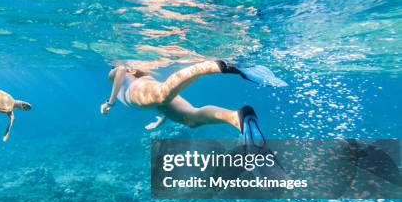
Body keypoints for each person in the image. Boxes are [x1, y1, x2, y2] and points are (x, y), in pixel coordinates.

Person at [100, 60, 286, 146]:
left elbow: (120, 70)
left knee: (163, 94)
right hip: (150, 101)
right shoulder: (142, 79)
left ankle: (224, 66)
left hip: (139, 93)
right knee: (192, 120)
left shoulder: (116, 73)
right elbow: (159, 105)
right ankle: (238, 118)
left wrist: (110, 102)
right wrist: (160, 121)